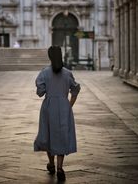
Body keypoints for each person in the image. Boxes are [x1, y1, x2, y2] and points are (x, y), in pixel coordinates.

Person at [34, 46, 80, 182]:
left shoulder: (44, 72)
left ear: (49, 57)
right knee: (61, 136)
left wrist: (40, 86)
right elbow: (75, 90)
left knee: (49, 135)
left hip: (49, 107)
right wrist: (69, 105)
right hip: (64, 107)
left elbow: (40, 92)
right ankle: (60, 167)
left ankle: (51, 164)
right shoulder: (67, 73)